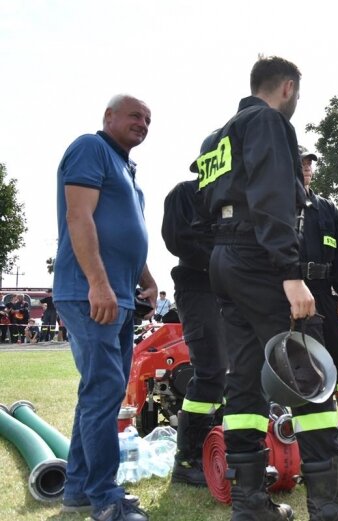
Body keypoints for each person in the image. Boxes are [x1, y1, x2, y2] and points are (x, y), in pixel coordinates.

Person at [198, 55, 338, 521]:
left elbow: (205, 202)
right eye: (297, 95)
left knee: (244, 379)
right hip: (260, 258)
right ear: (287, 87)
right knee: (307, 371)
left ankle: (249, 506)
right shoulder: (267, 121)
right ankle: (326, 508)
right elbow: (271, 197)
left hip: (224, 259)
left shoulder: (216, 136)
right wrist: (289, 271)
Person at [54, 94, 156, 520]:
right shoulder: (90, 148)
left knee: (101, 391)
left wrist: (146, 280)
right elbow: (80, 217)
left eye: (148, 119)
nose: (143, 123)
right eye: (134, 115)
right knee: (105, 390)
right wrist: (98, 283)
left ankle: (78, 489)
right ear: (108, 117)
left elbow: (127, 234)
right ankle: (105, 497)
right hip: (88, 292)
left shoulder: (130, 173)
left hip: (119, 296)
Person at [161, 140, 228, 487]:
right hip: (197, 287)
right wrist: (223, 260)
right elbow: (177, 240)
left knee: (238, 372)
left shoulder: (234, 200)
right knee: (212, 368)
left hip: (232, 291)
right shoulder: (183, 195)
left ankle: (226, 449)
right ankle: (186, 460)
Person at [298, 145, 338, 413]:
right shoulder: (276, 206)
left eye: (310, 163)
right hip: (291, 292)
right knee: (302, 360)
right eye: (301, 162)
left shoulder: (326, 208)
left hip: (324, 291)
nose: (307, 168)